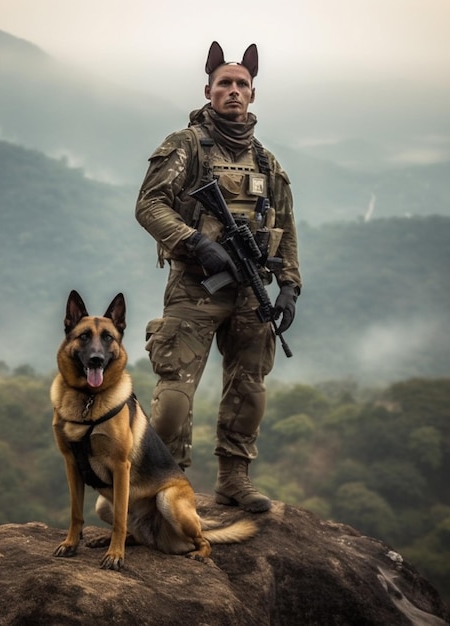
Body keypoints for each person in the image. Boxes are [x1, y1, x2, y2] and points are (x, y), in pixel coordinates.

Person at [135, 41, 301, 513]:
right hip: (196, 285)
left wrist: (289, 285)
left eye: (242, 84)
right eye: (224, 83)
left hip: (252, 291)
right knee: (172, 402)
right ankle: (162, 489)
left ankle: (234, 479)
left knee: (250, 390)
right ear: (208, 90)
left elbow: (286, 226)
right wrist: (195, 242)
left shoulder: (268, 162)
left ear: (252, 94)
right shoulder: (185, 145)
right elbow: (148, 205)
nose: (233, 91)